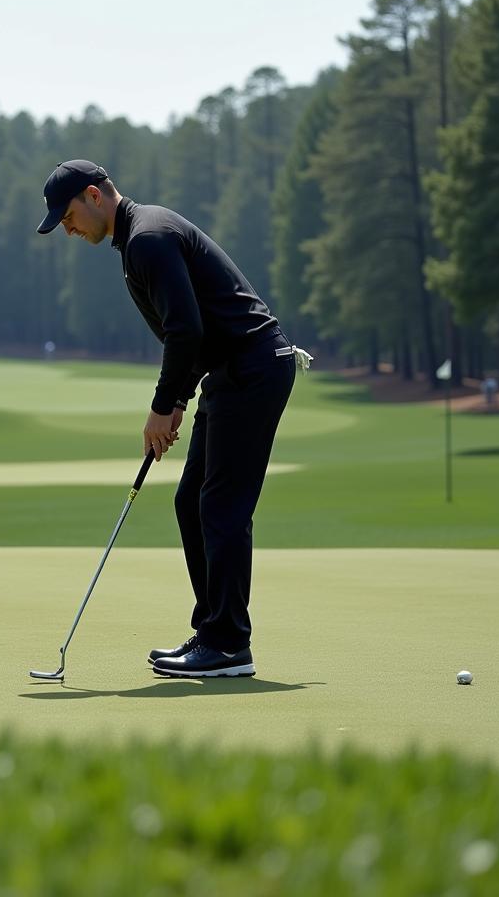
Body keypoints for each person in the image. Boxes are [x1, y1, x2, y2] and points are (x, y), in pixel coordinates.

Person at [37, 159, 308, 679]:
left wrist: (164, 406)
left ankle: (228, 645)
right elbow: (196, 335)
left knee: (221, 507)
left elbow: (185, 331)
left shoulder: (147, 239)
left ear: (94, 196)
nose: (66, 229)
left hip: (252, 370)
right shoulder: (139, 237)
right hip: (232, 373)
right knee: (192, 501)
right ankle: (213, 633)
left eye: (67, 216)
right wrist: (180, 398)